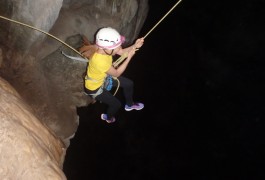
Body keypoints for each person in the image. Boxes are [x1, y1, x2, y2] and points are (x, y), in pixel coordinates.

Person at [83, 27, 144, 123]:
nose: (119, 48)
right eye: (116, 47)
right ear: (106, 48)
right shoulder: (99, 61)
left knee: (129, 84)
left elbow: (122, 52)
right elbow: (117, 73)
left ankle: (129, 104)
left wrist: (135, 45)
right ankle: (108, 117)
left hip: (103, 78)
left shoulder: (102, 49)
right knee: (116, 104)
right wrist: (129, 58)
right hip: (94, 88)